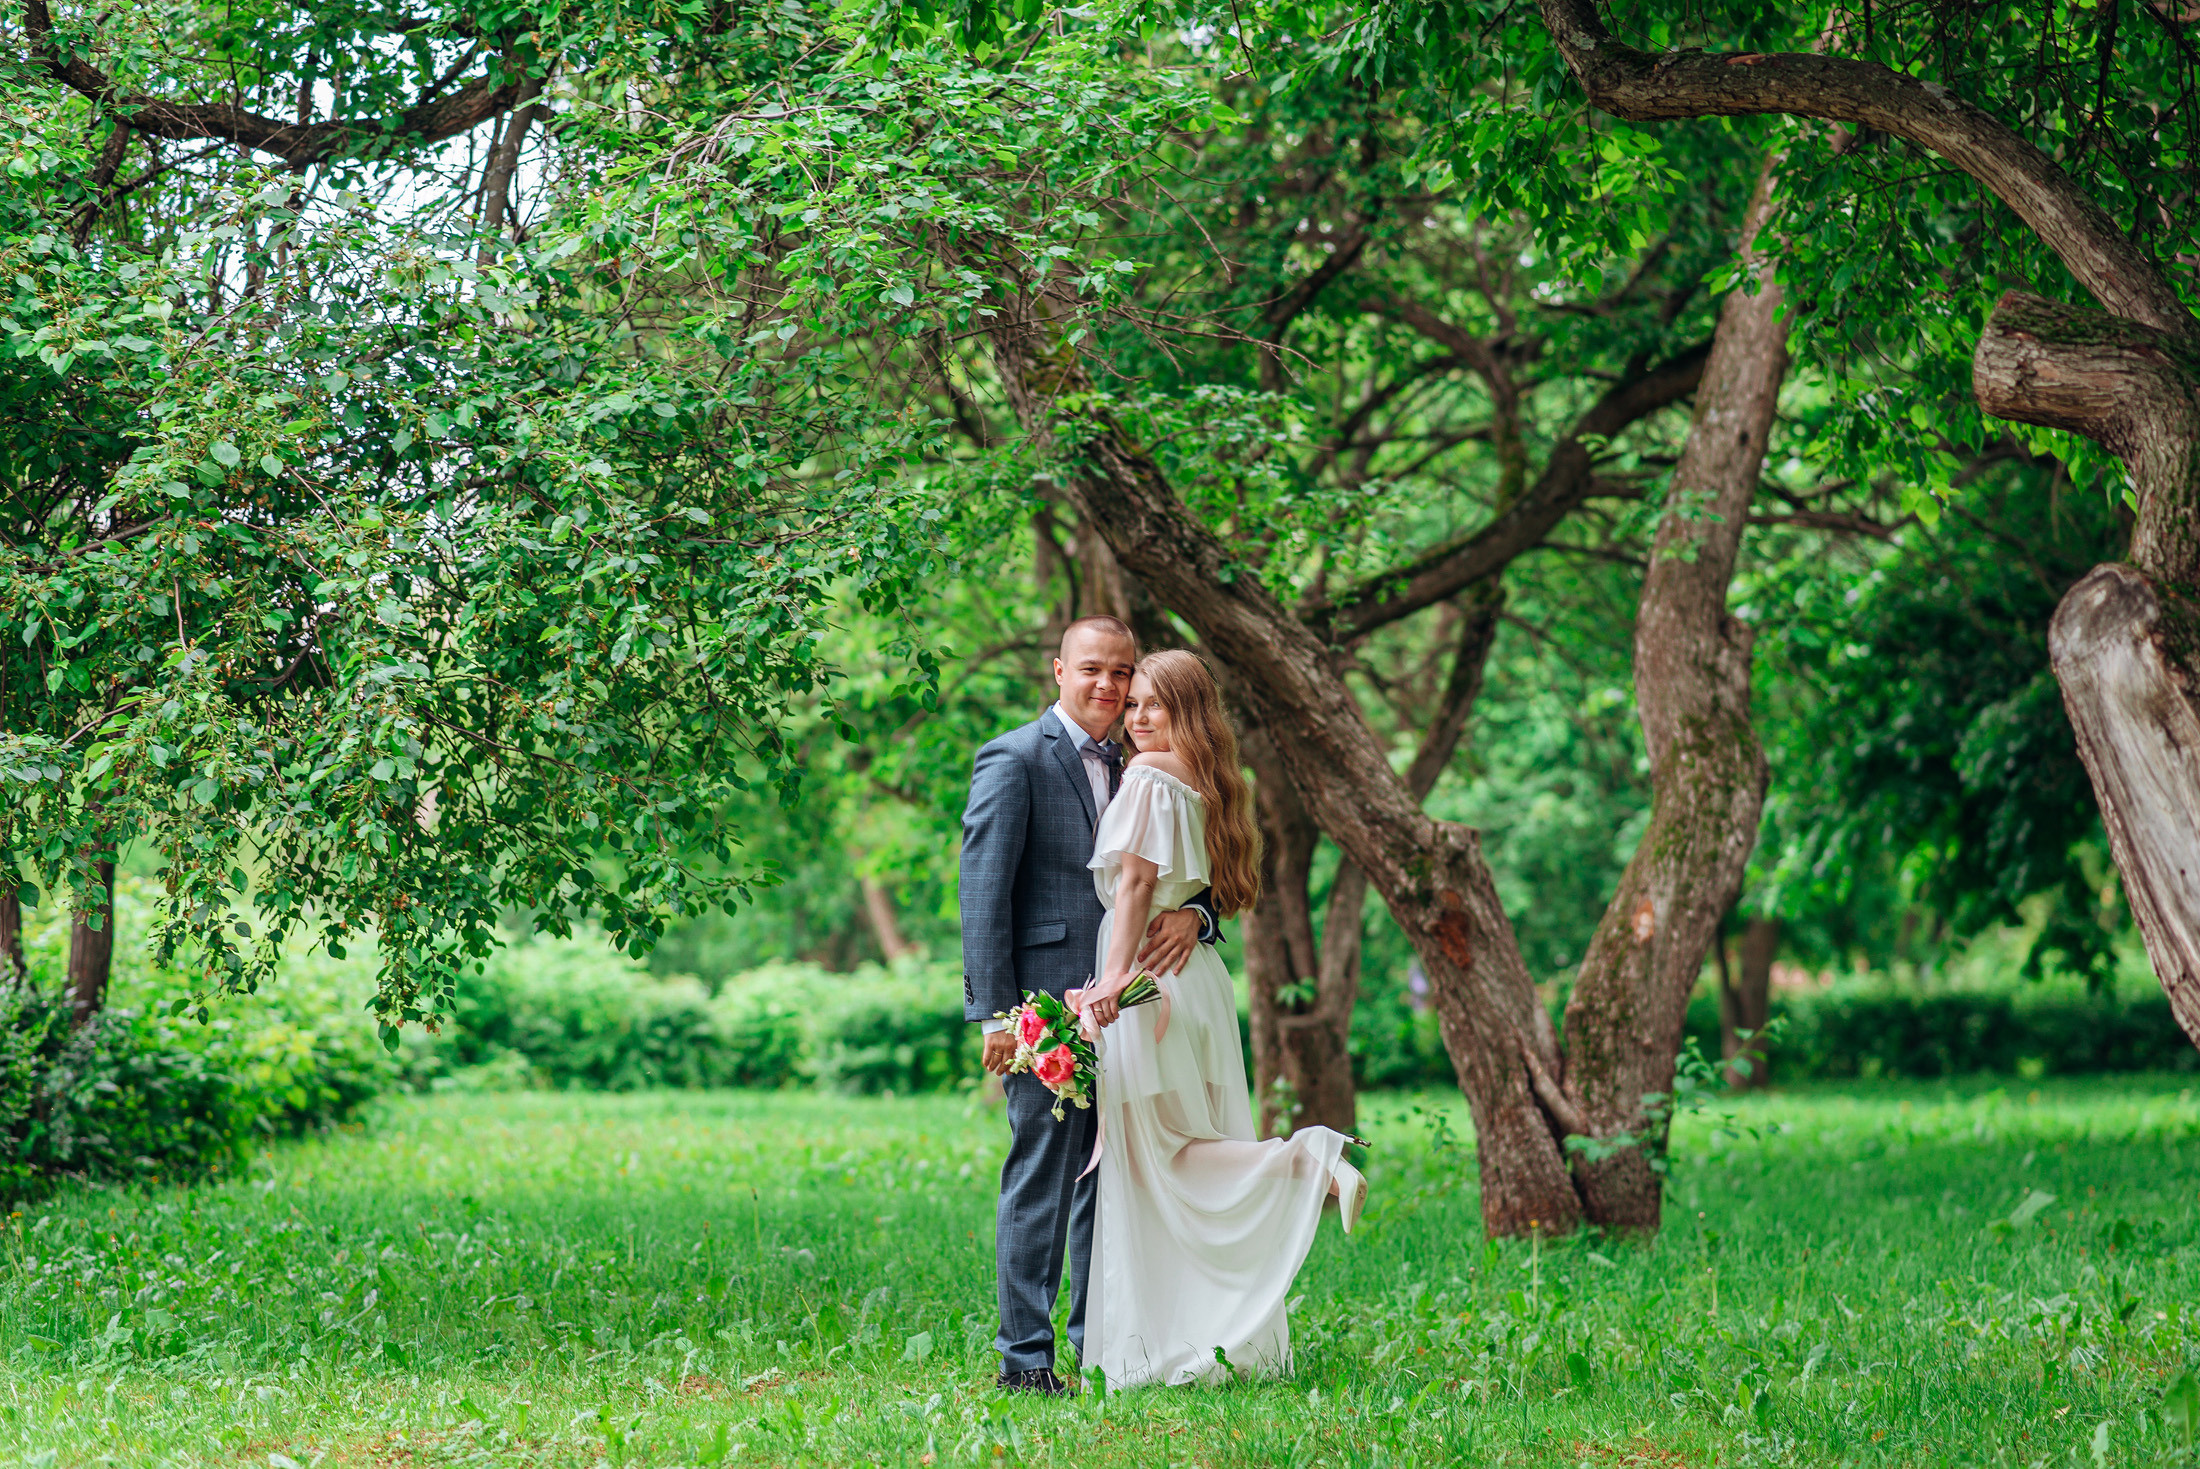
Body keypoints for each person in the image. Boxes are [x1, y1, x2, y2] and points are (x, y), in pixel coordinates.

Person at [1070, 648, 1368, 1390]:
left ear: (1189, 711)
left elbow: (1135, 885)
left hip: (1149, 981)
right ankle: (1186, 1333)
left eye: (1155, 705)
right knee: (1175, 1150)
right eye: (1133, 704)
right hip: (1193, 978)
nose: (1137, 717)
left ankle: (1307, 1160)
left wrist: (1111, 982)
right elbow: (1202, 889)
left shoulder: (1147, 775)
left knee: (1162, 1154)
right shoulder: (1209, 782)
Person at [958, 616, 1222, 1396]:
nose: (1108, 684)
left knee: (1112, 1183)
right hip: (1048, 1007)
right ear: (1058, 670)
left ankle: (1099, 1345)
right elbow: (983, 892)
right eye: (1092, 669)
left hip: (1135, 1008)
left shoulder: (1151, 762)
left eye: (1122, 671)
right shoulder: (1014, 758)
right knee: (1042, 1175)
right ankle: (1025, 1359)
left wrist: (1196, 916)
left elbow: (1183, 873)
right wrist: (997, 1015)